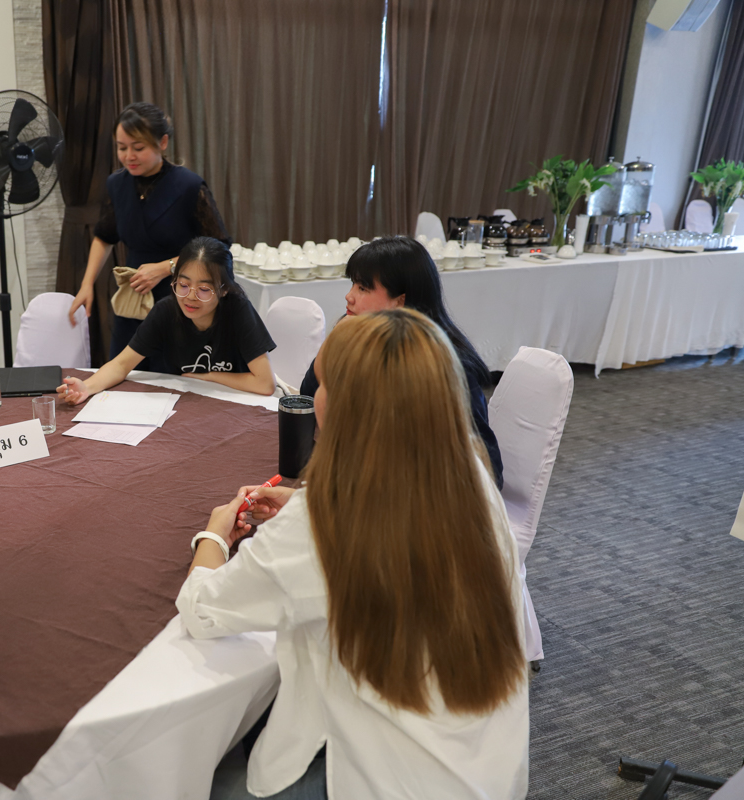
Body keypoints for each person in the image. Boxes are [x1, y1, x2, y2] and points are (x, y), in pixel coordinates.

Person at [179, 309, 528, 800]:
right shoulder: (466, 474)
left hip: (376, 781)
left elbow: (203, 610)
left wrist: (214, 535)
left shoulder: (324, 521)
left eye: (323, 384)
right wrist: (300, 504)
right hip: (484, 767)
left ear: (351, 407)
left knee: (186, 779)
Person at [298, 235, 503, 486]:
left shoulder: (448, 368)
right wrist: (334, 341)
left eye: (363, 288)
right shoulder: (368, 338)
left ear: (400, 301)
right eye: (353, 284)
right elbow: (307, 400)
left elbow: (489, 473)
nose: (349, 296)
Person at [67, 102, 232, 357]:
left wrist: (165, 268)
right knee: (124, 372)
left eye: (138, 148)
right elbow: (104, 236)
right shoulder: (117, 184)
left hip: (182, 300)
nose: (128, 156)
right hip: (134, 298)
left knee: (176, 376)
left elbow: (218, 247)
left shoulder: (189, 186)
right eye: (122, 147)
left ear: (162, 142)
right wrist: (86, 284)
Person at [58, 237, 276, 403]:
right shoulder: (166, 310)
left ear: (224, 289)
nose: (190, 296)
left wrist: (210, 376)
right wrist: (87, 387)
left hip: (233, 401)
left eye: (203, 289)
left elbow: (265, 384)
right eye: (183, 285)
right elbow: (121, 364)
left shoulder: (237, 310)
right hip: (184, 402)